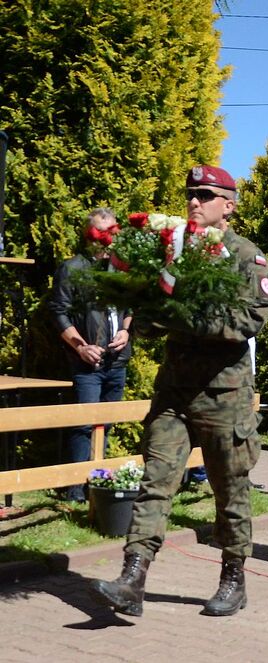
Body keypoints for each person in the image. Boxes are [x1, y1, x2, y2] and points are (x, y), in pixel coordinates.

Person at [91, 165, 268, 617]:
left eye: (205, 195)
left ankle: (234, 579)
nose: (194, 201)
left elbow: (250, 321)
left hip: (224, 395)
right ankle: (133, 578)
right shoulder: (172, 252)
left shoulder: (246, 258)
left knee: (229, 491)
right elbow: (150, 322)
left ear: (228, 205)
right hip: (174, 392)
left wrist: (188, 316)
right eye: (190, 193)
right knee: (155, 484)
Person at [50, 208, 132, 503]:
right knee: (84, 424)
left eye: (113, 233)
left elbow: (131, 306)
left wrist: (125, 331)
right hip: (88, 363)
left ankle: (95, 485)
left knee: (106, 424)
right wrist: (81, 347)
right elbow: (58, 313)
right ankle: (74, 492)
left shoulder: (122, 269)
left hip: (117, 361)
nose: (108, 240)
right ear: (89, 236)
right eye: (102, 233)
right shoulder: (72, 268)